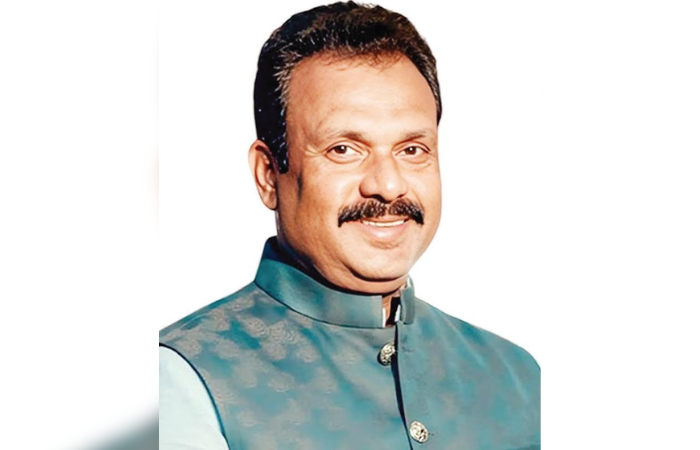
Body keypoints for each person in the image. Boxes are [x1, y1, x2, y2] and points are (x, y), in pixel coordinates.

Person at [159, 2, 540, 449]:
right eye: (343, 149)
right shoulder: (181, 383)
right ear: (269, 175)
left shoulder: (519, 379)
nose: (388, 185)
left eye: (412, 150)